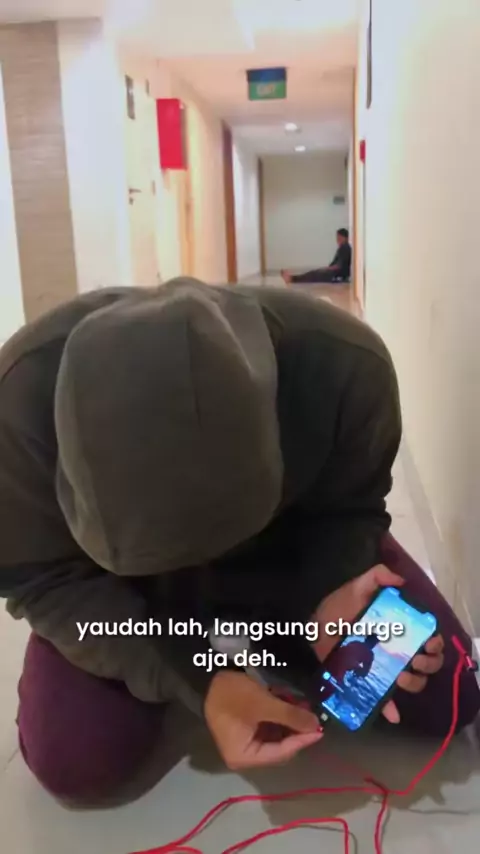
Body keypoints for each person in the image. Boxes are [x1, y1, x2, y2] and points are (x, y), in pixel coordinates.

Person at [0, 279, 478, 808]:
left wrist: (330, 594)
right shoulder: (14, 412)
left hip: (288, 560)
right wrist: (199, 678)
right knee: (76, 758)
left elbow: (350, 508)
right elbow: (43, 579)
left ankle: (284, 634)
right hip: (128, 602)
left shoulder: (344, 367)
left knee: (440, 696)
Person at [281, 227, 352, 284]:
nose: (337, 239)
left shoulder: (345, 248)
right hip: (335, 273)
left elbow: (339, 266)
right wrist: (327, 268)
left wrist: (327, 269)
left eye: (339, 237)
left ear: (344, 238)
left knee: (314, 274)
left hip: (337, 275)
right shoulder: (343, 248)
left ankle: (292, 279)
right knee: (315, 273)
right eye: (337, 237)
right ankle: (292, 278)